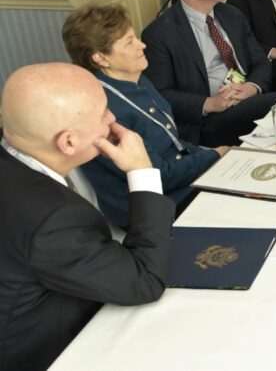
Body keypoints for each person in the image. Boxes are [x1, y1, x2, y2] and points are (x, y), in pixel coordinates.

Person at [0, 63, 174, 370]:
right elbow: (143, 281)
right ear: (68, 142)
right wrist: (142, 171)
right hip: (50, 352)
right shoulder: (51, 217)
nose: (113, 119)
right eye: (103, 112)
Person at [62, 3, 229, 228]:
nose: (142, 45)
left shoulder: (135, 78)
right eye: (129, 42)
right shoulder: (102, 111)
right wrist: (215, 156)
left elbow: (173, 143)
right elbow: (156, 177)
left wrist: (214, 154)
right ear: (101, 58)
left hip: (179, 183)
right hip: (152, 209)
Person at [142, 0, 276, 147]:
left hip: (246, 98)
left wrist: (251, 88)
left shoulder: (232, 15)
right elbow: (160, 94)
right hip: (206, 119)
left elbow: (260, 61)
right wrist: (210, 104)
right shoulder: (160, 33)